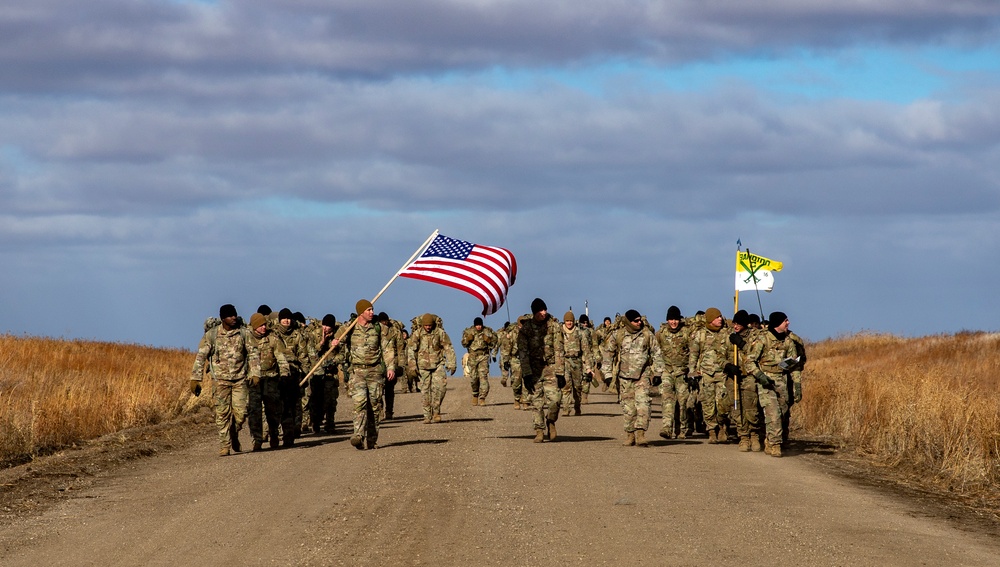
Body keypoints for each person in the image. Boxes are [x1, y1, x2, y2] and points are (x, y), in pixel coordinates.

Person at [190, 304, 260, 456]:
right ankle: (225, 445)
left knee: (241, 414)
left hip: (240, 380)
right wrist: (196, 378)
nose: (233, 318)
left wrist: (255, 373)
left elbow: (253, 353)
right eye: (230, 316)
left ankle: (234, 432)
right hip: (220, 381)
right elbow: (201, 356)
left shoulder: (244, 333)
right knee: (222, 413)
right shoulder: (212, 335)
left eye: (234, 315)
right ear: (223, 319)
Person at [334, 299, 395, 450]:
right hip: (357, 371)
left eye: (372, 309)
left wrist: (391, 367)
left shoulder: (379, 328)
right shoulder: (349, 328)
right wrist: (335, 343)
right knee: (359, 404)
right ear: (361, 312)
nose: (372, 312)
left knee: (374, 406)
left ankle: (372, 439)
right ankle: (358, 435)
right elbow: (336, 343)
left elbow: (387, 349)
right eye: (368, 310)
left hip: (375, 371)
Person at [603, 309, 664, 446]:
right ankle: (630, 435)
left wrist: (658, 373)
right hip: (624, 378)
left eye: (640, 320)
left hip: (642, 376)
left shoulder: (647, 335)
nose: (639, 322)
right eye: (635, 321)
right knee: (628, 408)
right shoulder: (618, 335)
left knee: (643, 406)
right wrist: (607, 375)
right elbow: (608, 355)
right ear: (628, 322)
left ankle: (641, 434)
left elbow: (657, 354)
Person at [743, 311, 799, 456]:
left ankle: (769, 439)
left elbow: (794, 365)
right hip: (766, 381)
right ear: (777, 323)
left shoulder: (788, 341)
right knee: (772, 412)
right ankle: (775, 445)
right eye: (785, 321)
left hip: (782, 380)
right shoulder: (763, 339)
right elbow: (749, 361)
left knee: (782, 413)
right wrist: (759, 375)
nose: (788, 323)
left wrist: (797, 385)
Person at [517, 298, 565, 443]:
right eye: (540, 311)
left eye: (545, 310)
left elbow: (559, 349)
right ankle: (539, 430)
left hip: (550, 367)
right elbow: (523, 353)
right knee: (536, 402)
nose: (543, 313)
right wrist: (526, 374)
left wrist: (560, 372)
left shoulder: (554, 327)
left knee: (555, 400)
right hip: (533, 369)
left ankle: (551, 421)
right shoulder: (526, 329)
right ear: (534, 312)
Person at [247, 312, 291, 450]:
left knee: (273, 410)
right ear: (254, 327)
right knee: (254, 411)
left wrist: (284, 375)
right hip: (253, 380)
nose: (264, 328)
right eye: (260, 326)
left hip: (271, 378)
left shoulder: (272, 338)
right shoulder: (246, 339)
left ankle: (274, 435)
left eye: (265, 325)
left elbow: (281, 357)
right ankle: (257, 439)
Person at [688, 307, 733, 444]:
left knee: (722, 404)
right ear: (710, 319)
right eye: (717, 317)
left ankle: (722, 428)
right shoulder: (700, 335)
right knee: (708, 404)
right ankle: (712, 430)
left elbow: (732, 353)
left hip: (722, 374)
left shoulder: (726, 334)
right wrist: (692, 373)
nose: (720, 319)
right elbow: (694, 354)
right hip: (706, 374)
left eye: (720, 317)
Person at [726, 310, 766, 452]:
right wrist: (727, 366)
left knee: (751, 408)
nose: (735, 326)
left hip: (749, 376)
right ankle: (743, 437)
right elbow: (718, 355)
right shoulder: (728, 336)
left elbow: (757, 352)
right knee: (736, 409)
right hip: (733, 378)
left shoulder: (755, 335)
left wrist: (742, 344)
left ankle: (754, 435)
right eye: (734, 323)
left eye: (739, 324)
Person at [408, 313, 457, 423]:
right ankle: (427, 415)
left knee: (440, 389)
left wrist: (452, 363)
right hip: (422, 367)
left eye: (430, 325)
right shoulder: (417, 334)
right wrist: (412, 366)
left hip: (438, 365)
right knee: (425, 391)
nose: (428, 327)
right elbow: (411, 350)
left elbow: (448, 348)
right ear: (422, 325)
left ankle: (436, 412)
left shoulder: (440, 333)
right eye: (426, 325)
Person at [655, 305, 693, 439]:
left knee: (682, 402)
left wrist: (692, 372)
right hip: (666, 371)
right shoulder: (660, 334)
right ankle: (666, 427)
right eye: (671, 319)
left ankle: (681, 428)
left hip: (682, 373)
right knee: (667, 400)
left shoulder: (687, 333)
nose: (673, 322)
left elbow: (693, 353)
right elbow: (655, 353)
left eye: (676, 319)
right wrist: (657, 372)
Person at [274, 308, 307, 446]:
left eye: (288, 318)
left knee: (292, 404)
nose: (286, 321)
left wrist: (304, 373)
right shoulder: (274, 335)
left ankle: (289, 434)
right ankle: (274, 434)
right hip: (278, 374)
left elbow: (303, 356)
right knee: (279, 405)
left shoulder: (297, 335)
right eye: (283, 318)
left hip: (294, 374)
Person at [307, 314, 342, 434]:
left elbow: (344, 353)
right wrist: (322, 341)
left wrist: (335, 358)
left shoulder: (338, 335)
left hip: (330, 373)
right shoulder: (314, 334)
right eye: (324, 325)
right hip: (316, 372)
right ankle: (315, 423)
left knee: (331, 400)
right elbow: (311, 352)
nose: (325, 328)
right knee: (316, 400)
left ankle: (330, 424)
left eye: (328, 326)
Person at [560, 311, 593, 416]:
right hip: (565, 361)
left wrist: (588, 367)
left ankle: (577, 406)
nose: (569, 323)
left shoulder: (580, 332)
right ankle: (566, 408)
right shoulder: (560, 333)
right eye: (567, 321)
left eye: (570, 321)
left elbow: (586, 351)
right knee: (566, 386)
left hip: (577, 362)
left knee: (577, 386)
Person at [461, 316, 496, 406]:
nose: (479, 327)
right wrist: (468, 339)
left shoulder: (487, 331)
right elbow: (463, 344)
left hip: (483, 356)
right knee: (474, 378)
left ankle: (482, 397)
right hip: (473, 357)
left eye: (480, 325)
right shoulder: (469, 331)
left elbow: (495, 342)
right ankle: (475, 394)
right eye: (477, 325)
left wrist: (488, 340)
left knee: (483, 377)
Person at [377, 312, 404, 420]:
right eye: (382, 322)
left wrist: (400, 365)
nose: (384, 324)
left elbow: (400, 348)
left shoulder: (394, 331)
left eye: (385, 322)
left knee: (389, 390)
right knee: (378, 390)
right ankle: (379, 412)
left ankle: (389, 411)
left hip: (392, 362)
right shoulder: (376, 331)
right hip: (378, 363)